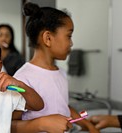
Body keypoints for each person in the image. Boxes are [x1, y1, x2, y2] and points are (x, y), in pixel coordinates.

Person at [11, 2, 99, 133]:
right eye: (68, 36)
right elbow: (10, 125)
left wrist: (89, 126)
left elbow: (64, 107)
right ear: (48, 38)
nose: (71, 43)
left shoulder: (61, 73)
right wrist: (41, 123)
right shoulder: (23, 78)